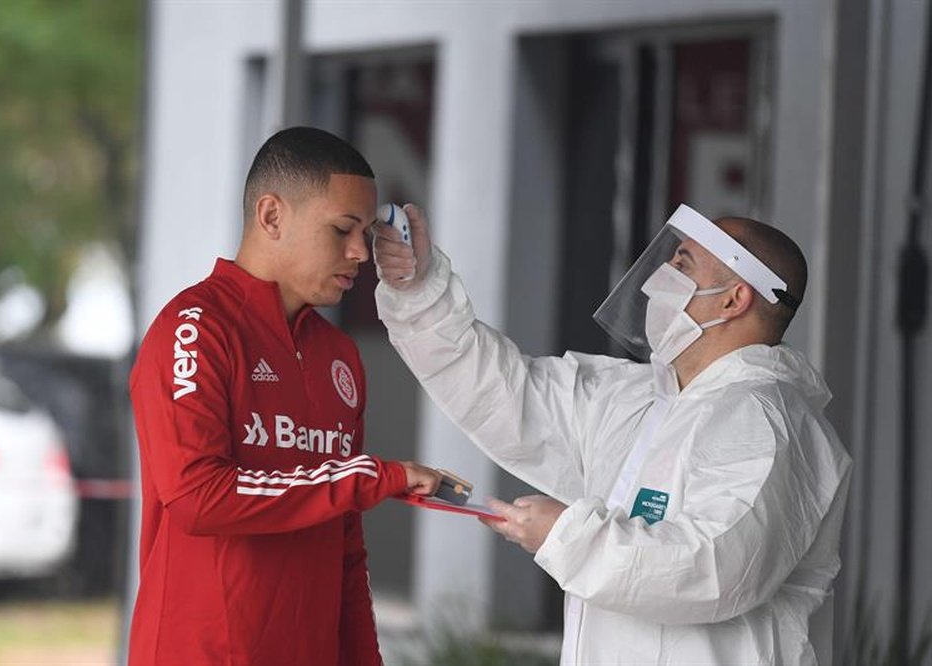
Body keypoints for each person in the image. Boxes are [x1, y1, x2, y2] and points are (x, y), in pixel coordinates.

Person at [373, 203, 852, 665]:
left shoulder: (765, 422)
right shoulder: (637, 398)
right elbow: (502, 392)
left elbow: (715, 568)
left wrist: (566, 535)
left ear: (734, 299)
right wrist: (418, 294)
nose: (660, 277)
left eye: (682, 263)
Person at [128, 126, 441, 665]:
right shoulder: (195, 327)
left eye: (365, 233)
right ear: (271, 216)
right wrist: (371, 476)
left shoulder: (339, 355)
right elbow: (197, 498)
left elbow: (345, 546)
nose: (358, 253)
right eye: (343, 228)